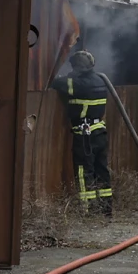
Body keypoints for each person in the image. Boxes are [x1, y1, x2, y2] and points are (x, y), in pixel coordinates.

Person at [51, 50, 113, 217]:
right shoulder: (100, 80)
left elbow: (55, 83)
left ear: (76, 67)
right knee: (102, 170)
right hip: (100, 132)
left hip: (85, 136)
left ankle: (87, 211)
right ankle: (106, 209)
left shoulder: (76, 84)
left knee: (83, 172)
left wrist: (67, 74)